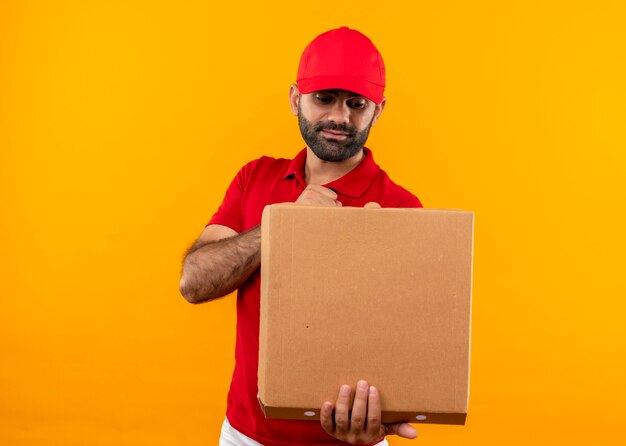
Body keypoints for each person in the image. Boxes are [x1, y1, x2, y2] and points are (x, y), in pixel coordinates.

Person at [180, 26, 422, 446]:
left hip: (351, 441)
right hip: (246, 436)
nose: (339, 118)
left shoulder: (401, 209)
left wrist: (376, 424)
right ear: (296, 99)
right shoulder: (254, 179)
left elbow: (409, 343)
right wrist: (284, 225)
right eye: (324, 98)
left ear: (378, 110)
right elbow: (194, 282)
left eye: (356, 104)